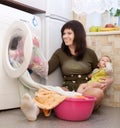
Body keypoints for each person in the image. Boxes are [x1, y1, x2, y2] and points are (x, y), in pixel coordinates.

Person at [21, 20, 113, 121]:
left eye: (69, 33)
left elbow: (99, 71)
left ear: (78, 35)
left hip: (85, 90)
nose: (65, 36)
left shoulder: (90, 53)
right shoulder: (60, 53)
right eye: (63, 33)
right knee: (48, 91)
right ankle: (35, 110)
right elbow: (46, 70)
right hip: (67, 89)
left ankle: (76, 106)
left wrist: (109, 80)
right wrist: (29, 55)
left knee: (98, 93)